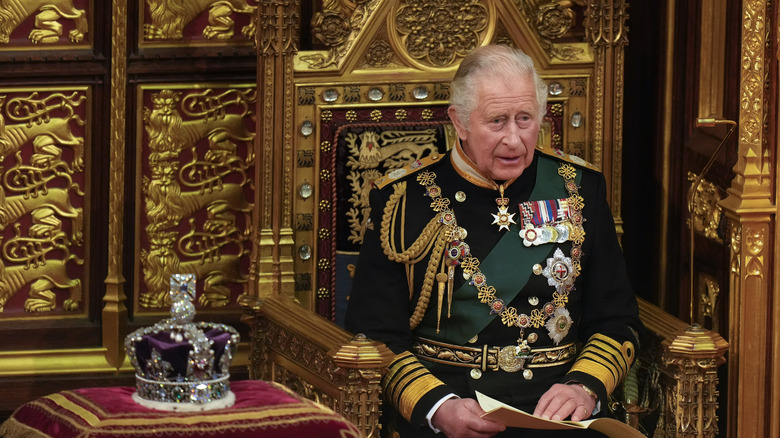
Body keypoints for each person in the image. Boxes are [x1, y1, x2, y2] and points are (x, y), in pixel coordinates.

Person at [345, 44, 642, 438]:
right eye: (498, 121)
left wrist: (584, 386)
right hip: (451, 409)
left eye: (525, 119)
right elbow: (373, 335)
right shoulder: (403, 199)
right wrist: (436, 407)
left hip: (559, 412)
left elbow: (617, 318)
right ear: (460, 122)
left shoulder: (580, 188)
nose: (515, 140)